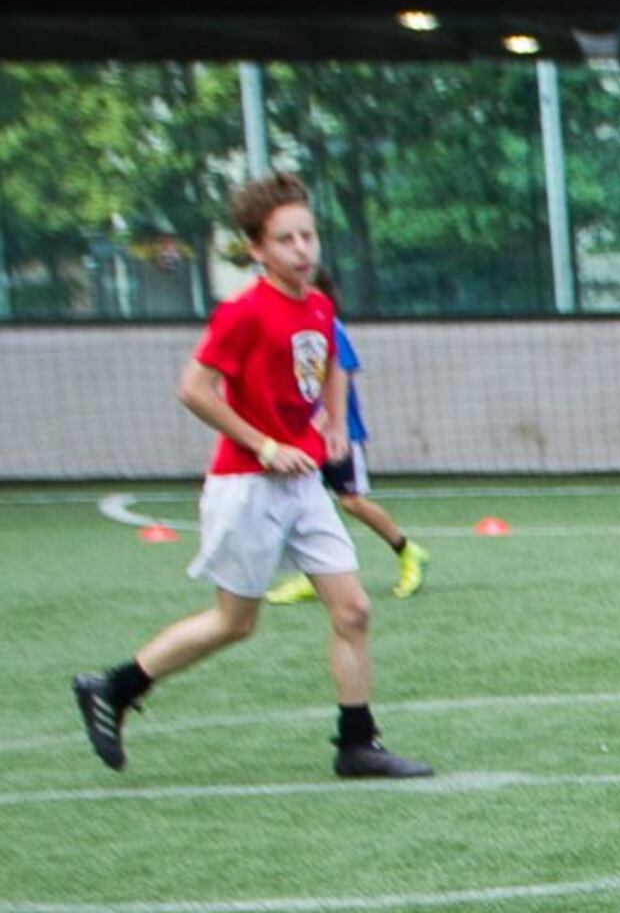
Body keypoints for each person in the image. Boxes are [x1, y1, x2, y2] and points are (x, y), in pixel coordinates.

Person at [69, 174, 431, 780]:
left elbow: (334, 360)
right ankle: (113, 687)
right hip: (247, 486)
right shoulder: (244, 313)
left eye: (308, 236)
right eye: (285, 240)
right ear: (257, 250)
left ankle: (357, 742)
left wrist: (335, 423)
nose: (302, 249)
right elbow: (193, 388)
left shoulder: (317, 304)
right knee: (235, 622)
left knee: (353, 610)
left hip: (303, 483)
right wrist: (263, 444)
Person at [265, 268, 426, 604]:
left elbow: (339, 382)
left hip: (339, 435)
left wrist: (323, 425)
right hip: (306, 438)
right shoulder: (295, 330)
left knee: (352, 501)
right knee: (302, 502)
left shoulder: (329, 328)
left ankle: (407, 552)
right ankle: (314, 576)